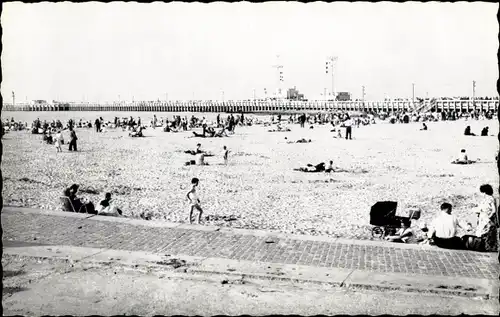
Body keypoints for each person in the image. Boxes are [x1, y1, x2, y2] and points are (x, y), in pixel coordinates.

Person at [462, 184, 499, 252]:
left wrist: (487, 217)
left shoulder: (489, 199)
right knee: (486, 233)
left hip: (486, 219)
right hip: (485, 218)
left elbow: (491, 210)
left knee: (483, 233)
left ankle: (485, 247)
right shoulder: (490, 198)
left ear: (484, 192)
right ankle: (487, 247)